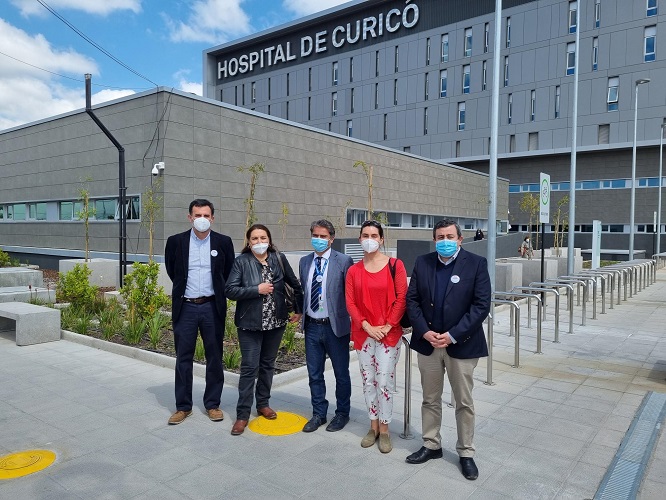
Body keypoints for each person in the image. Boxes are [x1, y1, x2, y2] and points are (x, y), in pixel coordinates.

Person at [405, 218, 490, 481]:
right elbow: (412, 300)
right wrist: (423, 331)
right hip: (428, 344)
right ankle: (432, 444)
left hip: (461, 345)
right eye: (440, 237)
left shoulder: (476, 264)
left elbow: (481, 306)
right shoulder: (423, 262)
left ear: (460, 239)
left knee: (464, 402)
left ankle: (466, 452)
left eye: (449, 237)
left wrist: (452, 335)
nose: (445, 241)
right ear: (434, 240)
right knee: (430, 398)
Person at [224, 223, 303, 436]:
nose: (259, 242)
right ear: (248, 243)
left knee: (268, 365)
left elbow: (294, 284)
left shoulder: (278, 259)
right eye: (255, 239)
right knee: (249, 368)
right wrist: (255, 290)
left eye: (263, 238)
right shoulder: (241, 262)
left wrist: (298, 309)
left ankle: (263, 404)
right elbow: (230, 290)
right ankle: (242, 415)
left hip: (275, 323)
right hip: (249, 324)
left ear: (269, 240)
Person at [164, 199, 235, 425]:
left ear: (212, 218)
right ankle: (183, 407)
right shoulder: (176, 242)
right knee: (183, 357)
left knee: (215, 357)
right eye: (197, 215)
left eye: (206, 215)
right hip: (185, 306)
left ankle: (213, 404)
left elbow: (228, 271)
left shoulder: (224, 242)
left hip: (212, 307)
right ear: (190, 217)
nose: (201, 219)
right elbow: (172, 270)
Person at [345, 220, 407, 453]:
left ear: (381, 239)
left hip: (388, 336)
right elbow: (350, 302)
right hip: (364, 335)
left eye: (374, 235)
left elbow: (401, 298)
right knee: (368, 381)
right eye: (365, 235)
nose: (369, 238)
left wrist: (388, 326)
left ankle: (385, 429)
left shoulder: (395, 265)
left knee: (384, 382)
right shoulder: (353, 270)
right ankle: (372, 426)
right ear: (360, 239)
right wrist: (366, 325)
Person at [300, 220, 354, 433]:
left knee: (341, 373)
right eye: (316, 235)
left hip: (335, 327)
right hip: (312, 326)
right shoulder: (305, 262)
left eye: (324, 236)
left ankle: (342, 413)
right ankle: (318, 413)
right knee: (314, 373)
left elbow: (349, 293)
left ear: (331, 238)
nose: (319, 240)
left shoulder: (344, 261)